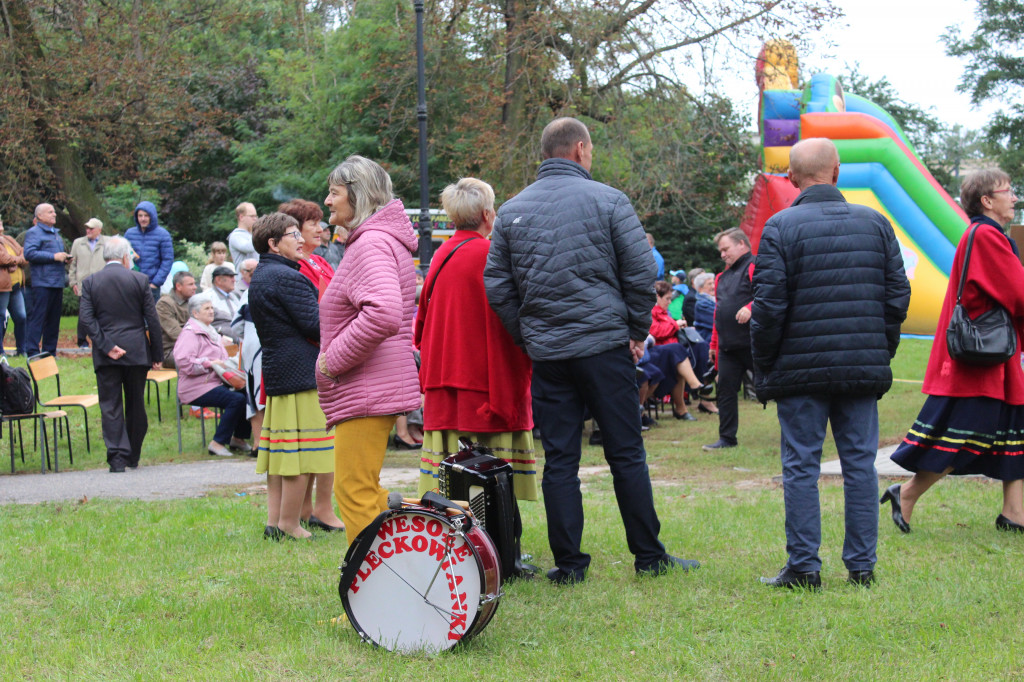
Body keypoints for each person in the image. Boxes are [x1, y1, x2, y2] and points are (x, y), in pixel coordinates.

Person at [484, 117, 698, 583]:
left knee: (561, 457)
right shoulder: (608, 200)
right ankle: (648, 556)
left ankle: (569, 564)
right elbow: (641, 272)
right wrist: (637, 330)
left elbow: (497, 284)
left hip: (550, 352)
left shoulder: (513, 210)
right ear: (580, 149)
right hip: (604, 346)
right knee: (625, 451)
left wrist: (528, 334)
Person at [751, 138, 911, 589]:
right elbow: (898, 297)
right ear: (837, 173)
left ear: (792, 179)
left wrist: (765, 366)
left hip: (799, 370)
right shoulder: (876, 224)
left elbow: (768, 308)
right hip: (860, 366)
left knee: (801, 464)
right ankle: (861, 566)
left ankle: (804, 567)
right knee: (860, 464)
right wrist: (880, 348)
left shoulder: (779, 227)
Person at [884, 170, 1024, 536]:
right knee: (965, 434)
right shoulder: (987, 236)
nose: (1014, 198)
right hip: (982, 359)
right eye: (1007, 192)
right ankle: (908, 493)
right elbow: (1019, 293)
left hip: (997, 356)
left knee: (1013, 431)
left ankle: (1014, 514)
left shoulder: (989, 235)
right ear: (986, 201)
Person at [317, 155, 420, 546]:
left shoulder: (371, 243)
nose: (328, 201)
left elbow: (383, 314)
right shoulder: (371, 241)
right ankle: (402, 574)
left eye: (334, 192)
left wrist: (331, 361)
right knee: (367, 492)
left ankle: (371, 598)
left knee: (354, 493)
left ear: (358, 197)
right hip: (370, 387)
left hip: (365, 388)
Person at [414, 177, 537, 501]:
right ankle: (496, 539)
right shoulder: (492, 254)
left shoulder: (442, 254)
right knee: (491, 473)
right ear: (487, 215)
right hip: (485, 384)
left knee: (452, 477)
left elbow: (422, 324)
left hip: (444, 381)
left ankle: (459, 539)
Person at [249, 212, 343, 540]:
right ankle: (290, 524)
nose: (300, 240)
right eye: (293, 235)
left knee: (282, 456)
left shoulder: (264, 273)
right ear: (273, 244)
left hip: (279, 374)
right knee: (300, 456)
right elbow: (315, 325)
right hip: (301, 375)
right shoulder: (287, 276)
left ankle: (276, 522)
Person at [277, 199, 338, 524]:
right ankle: (314, 509)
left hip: (327, 351)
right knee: (319, 438)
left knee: (324, 437)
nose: (319, 228)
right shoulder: (297, 268)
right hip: (311, 356)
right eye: (312, 223)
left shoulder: (319, 261)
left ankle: (318, 507)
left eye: (319, 222)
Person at [79, 237, 163, 472]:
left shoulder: (91, 281)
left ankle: (117, 458)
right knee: (136, 403)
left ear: (105, 256)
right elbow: (152, 319)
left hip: (106, 355)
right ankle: (133, 455)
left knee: (110, 405)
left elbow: (87, 319)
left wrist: (106, 345)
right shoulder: (139, 279)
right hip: (136, 350)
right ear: (126, 256)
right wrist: (157, 353)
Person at [173, 294, 252, 457]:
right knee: (236, 400)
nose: (211, 312)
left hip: (214, 382)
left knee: (247, 393)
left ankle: (238, 438)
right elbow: (184, 362)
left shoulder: (210, 331)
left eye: (211, 308)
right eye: (206, 309)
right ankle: (217, 443)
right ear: (195, 313)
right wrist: (210, 363)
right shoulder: (190, 333)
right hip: (195, 387)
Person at [703, 228, 755, 451]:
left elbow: (769, 294)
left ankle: (794, 435)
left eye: (726, 249)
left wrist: (751, 307)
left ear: (741, 244)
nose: (722, 254)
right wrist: (714, 344)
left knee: (774, 389)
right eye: (720, 251)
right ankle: (726, 438)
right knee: (725, 391)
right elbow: (719, 311)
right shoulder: (721, 277)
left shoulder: (755, 266)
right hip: (727, 346)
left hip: (754, 343)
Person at [23, 203, 69, 357]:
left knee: (54, 320)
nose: (54, 214)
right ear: (40, 216)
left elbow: (55, 256)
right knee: (39, 318)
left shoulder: (56, 234)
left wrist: (64, 258)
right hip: (42, 282)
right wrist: (54, 257)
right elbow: (29, 254)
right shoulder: (34, 233)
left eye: (54, 212)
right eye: (50, 212)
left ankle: (50, 351)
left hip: (57, 281)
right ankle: (33, 351)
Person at [278, 199, 334, 297]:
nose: (320, 230)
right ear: (294, 229)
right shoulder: (294, 265)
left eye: (319, 224)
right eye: (313, 224)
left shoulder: (319, 260)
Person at [69, 218, 109, 349]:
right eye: (87, 228)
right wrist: (73, 282)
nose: (88, 230)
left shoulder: (107, 242)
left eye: (91, 228)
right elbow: (72, 264)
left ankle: (101, 341)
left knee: (103, 313)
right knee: (84, 314)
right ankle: (82, 341)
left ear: (99, 230)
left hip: (102, 284)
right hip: (83, 284)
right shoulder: (78, 243)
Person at [124, 201, 173, 301]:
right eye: (140, 215)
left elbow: (167, 260)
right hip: (132, 285)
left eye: (146, 215)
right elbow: (123, 256)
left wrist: (155, 283)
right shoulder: (129, 233)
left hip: (151, 285)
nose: (143, 219)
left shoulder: (163, 234)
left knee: (151, 316)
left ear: (152, 216)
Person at [156, 270, 197, 369]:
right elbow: (176, 333)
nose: (195, 287)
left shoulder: (192, 301)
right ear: (178, 286)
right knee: (204, 359)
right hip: (171, 351)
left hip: (193, 347)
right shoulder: (164, 304)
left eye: (194, 284)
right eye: (190, 284)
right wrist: (202, 343)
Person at [0, 215, 28, 356]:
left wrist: (14, 261)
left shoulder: (8, 239)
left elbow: (24, 253)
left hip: (16, 286)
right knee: (1, 317)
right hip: (2, 287)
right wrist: (16, 260)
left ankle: (21, 350)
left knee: (21, 317)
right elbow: (3, 258)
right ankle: (1, 351)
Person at [229, 202, 259, 289]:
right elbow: (249, 247)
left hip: (255, 280)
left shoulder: (251, 235)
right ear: (241, 217)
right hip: (243, 284)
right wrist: (257, 230)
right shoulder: (236, 235)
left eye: (256, 216)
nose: (256, 219)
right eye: (252, 216)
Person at [208, 266, 241, 342]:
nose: (234, 280)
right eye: (230, 277)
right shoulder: (208, 297)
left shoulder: (235, 295)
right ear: (218, 280)